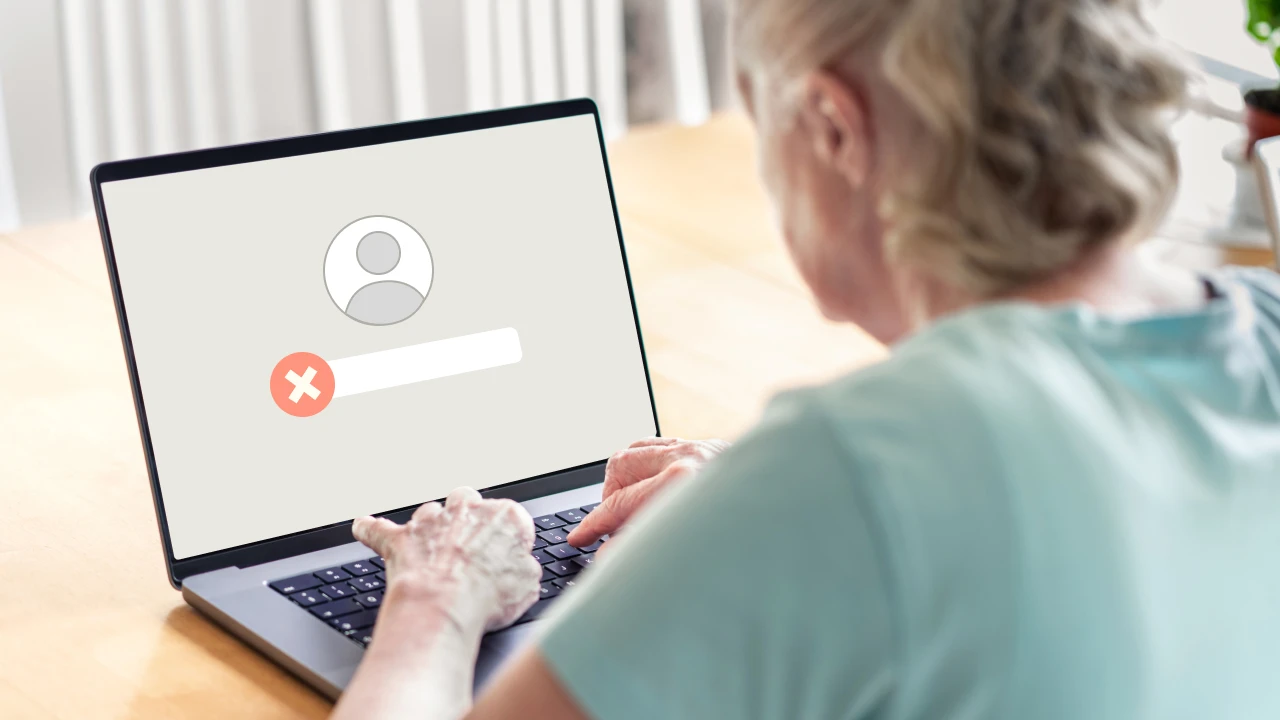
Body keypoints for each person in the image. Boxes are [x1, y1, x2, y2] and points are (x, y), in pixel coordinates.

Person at [333, 0, 1280, 717]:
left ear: (832, 129)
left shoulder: (855, 464)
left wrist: (435, 599)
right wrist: (752, 506)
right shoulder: (1264, 330)